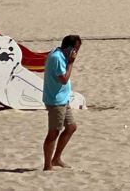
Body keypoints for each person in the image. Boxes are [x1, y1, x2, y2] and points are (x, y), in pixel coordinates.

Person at [43, 35, 81, 171]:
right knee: (53, 132)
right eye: (76, 48)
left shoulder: (59, 54)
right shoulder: (57, 58)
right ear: (70, 48)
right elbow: (64, 79)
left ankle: (56, 158)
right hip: (55, 101)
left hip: (63, 99)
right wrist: (71, 63)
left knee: (71, 127)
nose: (77, 52)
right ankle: (47, 165)